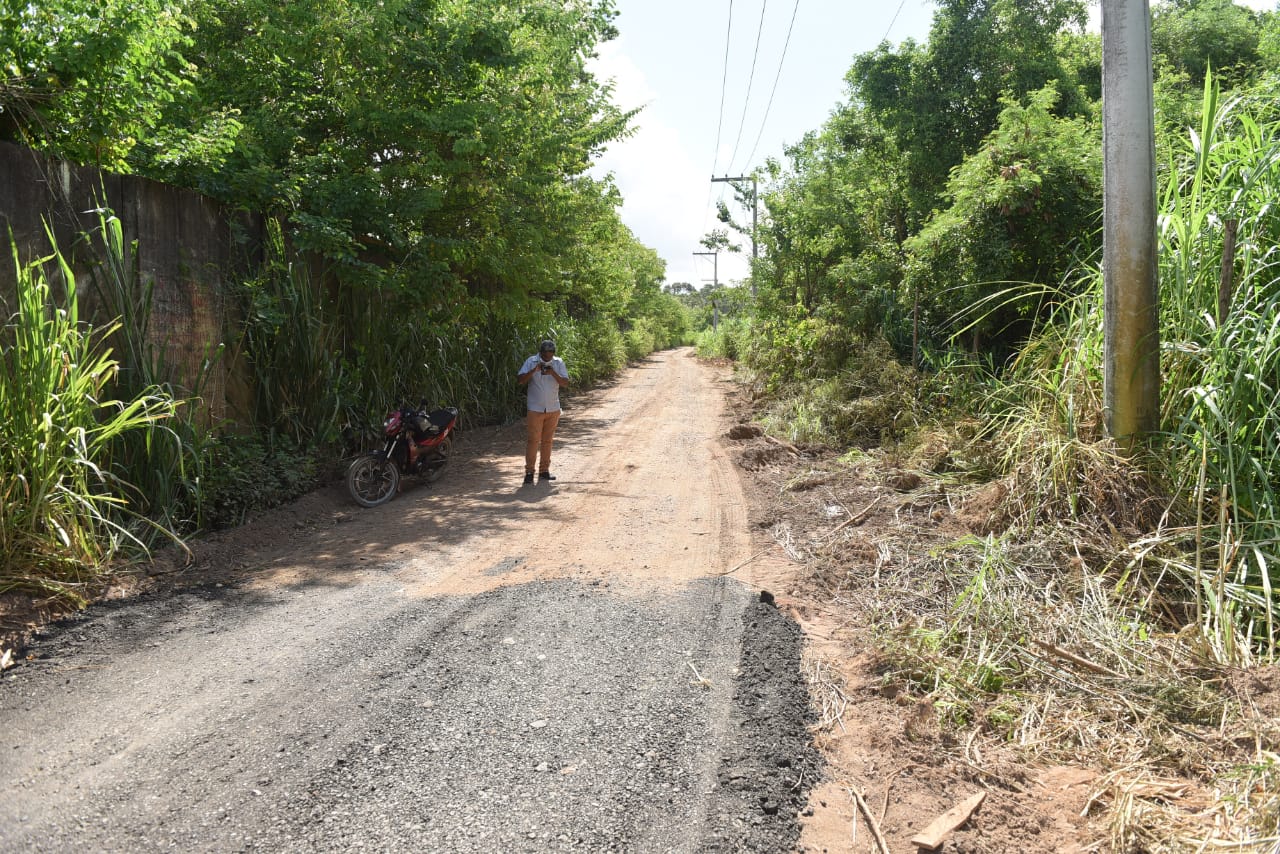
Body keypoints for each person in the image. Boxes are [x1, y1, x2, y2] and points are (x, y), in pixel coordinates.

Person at [517, 339, 569, 484]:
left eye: (550, 354)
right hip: (535, 408)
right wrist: (534, 370)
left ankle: (544, 471)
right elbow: (520, 380)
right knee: (533, 440)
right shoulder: (531, 361)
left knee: (547, 441)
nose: (547, 357)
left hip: (553, 408)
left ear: (553, 354)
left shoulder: (558, 363)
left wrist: (553, 373)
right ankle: (529, 472)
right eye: (545, 354)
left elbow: (565, 383)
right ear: (540, 353)